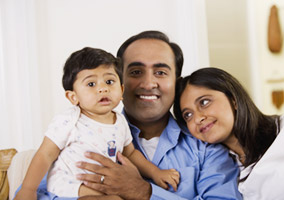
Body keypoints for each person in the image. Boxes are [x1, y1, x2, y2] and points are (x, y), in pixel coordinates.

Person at [28, 31, 241, 200]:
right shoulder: (78, 135)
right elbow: (34, 192)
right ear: (122, 82)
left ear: (176, 82)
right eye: (136, 72)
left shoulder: (207, 150)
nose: (148, 84)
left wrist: (144, 193)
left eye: (161, 72)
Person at [14, 47, 179, 199]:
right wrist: (28, 189)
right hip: (69, 185)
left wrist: (156, 172)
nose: (103, 89)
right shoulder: (70, 119)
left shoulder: (120, 121)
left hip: (100, 186)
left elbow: (130, 154)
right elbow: (45, 154)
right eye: (91, 84)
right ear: (73, 97)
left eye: (109, 82)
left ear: (121, 90)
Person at [173, 67, 284, 199]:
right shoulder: (219, 170)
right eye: (188, 115)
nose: (198, 118)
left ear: (233, 100)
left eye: (204, 102)